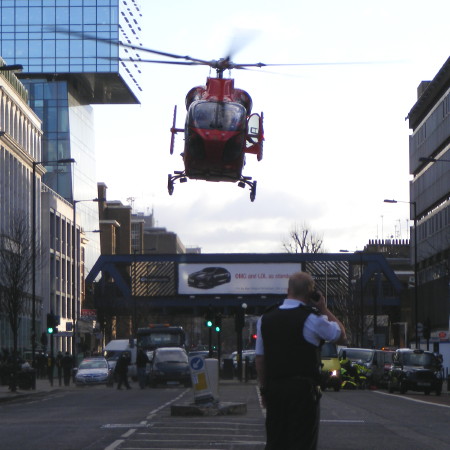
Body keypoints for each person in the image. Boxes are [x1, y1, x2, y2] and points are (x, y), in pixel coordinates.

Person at [255, 271, 347, 450]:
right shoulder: (312, 318)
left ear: (287, 289)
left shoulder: (265, 318)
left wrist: (264, 389)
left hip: (275, 389)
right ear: (311, 293)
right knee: (302, 442)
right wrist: (324, 309)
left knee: (275, 442)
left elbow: (260, 358)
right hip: (303, 392)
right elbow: (341, 336)